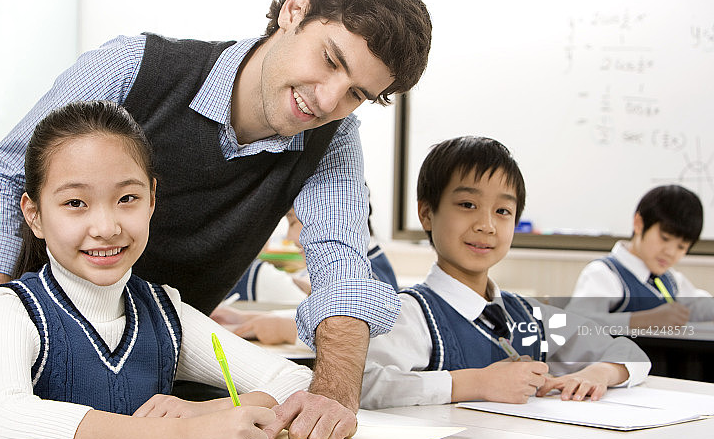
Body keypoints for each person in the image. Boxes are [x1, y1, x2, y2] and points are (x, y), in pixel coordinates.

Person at [0, 0, 432, 439]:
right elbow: (6, 173)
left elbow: (341, 268)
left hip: (167, 364)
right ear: (294, 10)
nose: (327, 101)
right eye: (330, 60)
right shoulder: (132, 67)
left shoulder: (334, 138)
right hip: (48, 353)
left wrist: (332, 397)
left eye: (356, 93)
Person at [0, 100, 332, 439]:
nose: (106, 228)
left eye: (127, 198)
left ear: (151, 201)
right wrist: (179, 437)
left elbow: (296, 382)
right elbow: (4, 417)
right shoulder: (14, 308)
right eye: (75, 203)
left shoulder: (165, 312)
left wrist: (202, 413)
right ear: (34, 215)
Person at [360, 136, 650, 409]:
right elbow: (364, 385)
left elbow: (630, 354)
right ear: (426, 213)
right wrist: (475, 383)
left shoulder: (529, 315)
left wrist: (599, 373)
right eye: (467, 205)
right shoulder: (409, 314)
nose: (486, 225)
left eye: (503, 211)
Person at [213, 206, 399, 345]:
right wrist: (249, 319)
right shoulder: (360, 265)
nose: (288, 236)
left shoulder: (364, 277)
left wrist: (285, 329)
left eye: (293, 222)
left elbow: (355, 337)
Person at [565, 185, 714, 330]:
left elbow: (698, 305)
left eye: (681, 247)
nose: (671, 252)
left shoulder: (671, 280)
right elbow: (578, 324)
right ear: (639, 224)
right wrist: (642, 320)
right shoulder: (604, 274)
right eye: (664, 238)